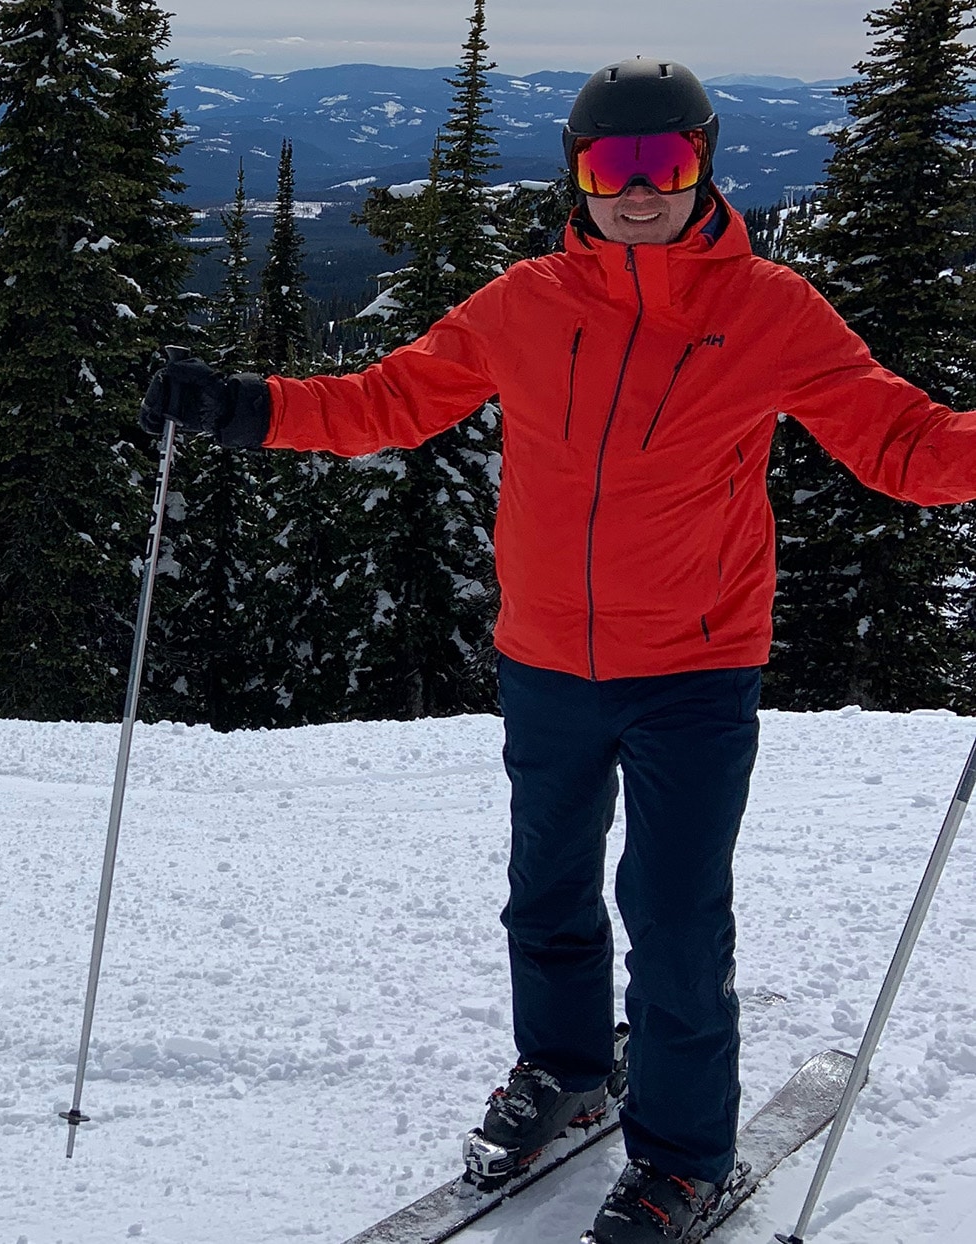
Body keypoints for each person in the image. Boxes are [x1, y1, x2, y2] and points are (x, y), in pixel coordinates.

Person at [138, 56, 976, 1244]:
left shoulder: (772, 311)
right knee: (545, 893)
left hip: (693, 667)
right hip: (543, 661)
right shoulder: (523, 302)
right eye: (611, 166)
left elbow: (899, 442)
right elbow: (390, 399)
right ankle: (569, 1065)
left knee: (675, 917)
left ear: (701, 165)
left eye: (664, 162)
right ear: (577, 178)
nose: (639, 189)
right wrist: (243, 405)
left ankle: (682, 1155)